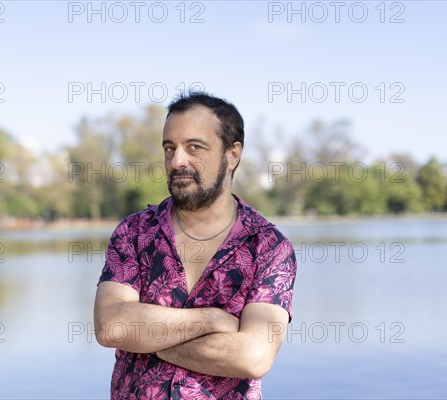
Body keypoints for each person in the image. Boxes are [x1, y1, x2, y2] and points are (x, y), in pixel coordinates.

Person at [94, 92, 297, 399]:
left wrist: (149, 339)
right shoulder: (134, 233)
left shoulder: (269, 247)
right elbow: (111, 326)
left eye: (194, 147)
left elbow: (253, 356)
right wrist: (212, 320)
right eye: (169, 148)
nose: (177, 160)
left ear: (232, 154)